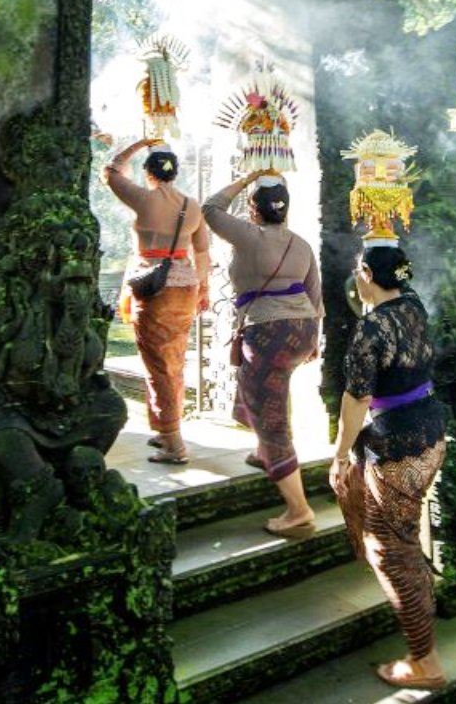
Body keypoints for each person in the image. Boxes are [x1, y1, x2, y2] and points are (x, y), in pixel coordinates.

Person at [330, 245, 449, 691]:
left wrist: (340, 454)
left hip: (398, 448)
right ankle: (421, 612)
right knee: (394, 536)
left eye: (359, 271)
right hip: (431, 434)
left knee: (388, 550)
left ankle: (425, 660)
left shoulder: (370, 330)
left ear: (364, 273)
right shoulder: (413, 305)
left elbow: (357, 400)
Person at [203, 171, 324, 536]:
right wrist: (314, 340)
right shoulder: (302, 245)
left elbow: (210, 208)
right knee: (267, 387)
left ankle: (299, 510)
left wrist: (245, 179)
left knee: (268, 410)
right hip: (302, 329)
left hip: (270, 330)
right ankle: (262, 450)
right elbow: (315, 294)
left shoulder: (249, 235)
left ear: (254, 211)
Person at [102, 137, 210, 464]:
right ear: (174, 173)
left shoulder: (143, 199)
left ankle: (174, 443)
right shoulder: (192, 206)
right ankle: (166, 430)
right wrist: (202, 290)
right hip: (186, 287)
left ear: (149, 173)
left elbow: (109, 171)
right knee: (174, 360)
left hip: (154, 290)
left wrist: (139, 144)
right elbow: (203, 253)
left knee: (156, 365)